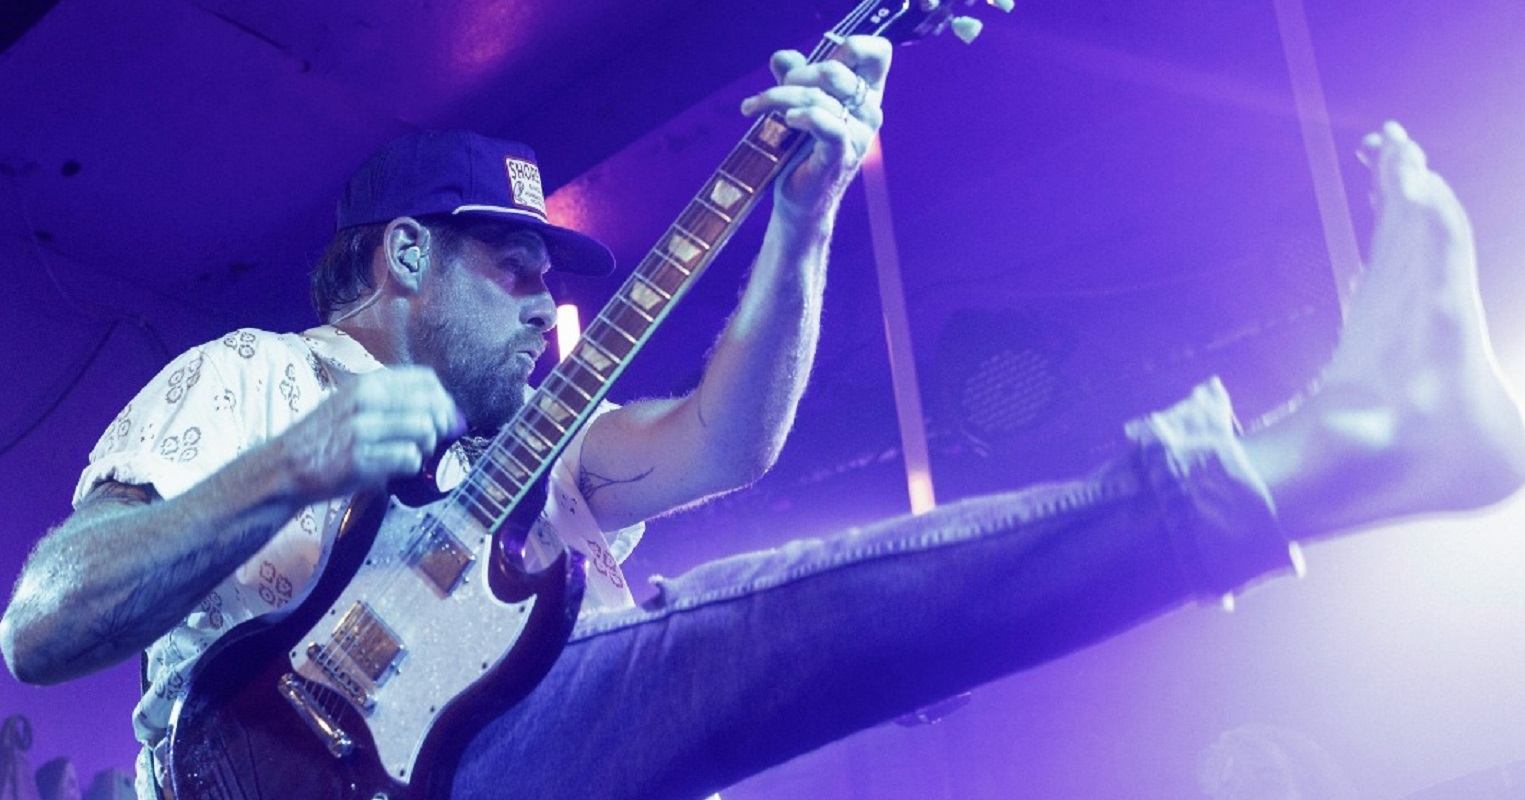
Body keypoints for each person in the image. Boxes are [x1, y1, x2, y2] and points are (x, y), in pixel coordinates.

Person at [1, 30, 1521, 800]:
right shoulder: (257, 380)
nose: (546, 308)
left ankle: (1332, 459)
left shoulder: (530, 460)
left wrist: (799, 217)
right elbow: (45, 624)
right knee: (710, 629)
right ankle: (1326, 454)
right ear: (404, 258)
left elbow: (731, 443)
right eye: (511, 268)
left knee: (700, 632)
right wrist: (296, 463)